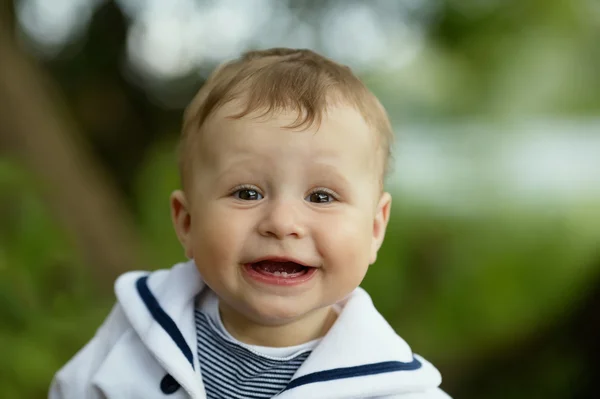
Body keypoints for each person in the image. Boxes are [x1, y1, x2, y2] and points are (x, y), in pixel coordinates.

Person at [49, 48, 450, 399]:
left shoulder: (393, 387)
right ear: (187, 223)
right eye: (247, 193)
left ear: (375, 228)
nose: (282, 223)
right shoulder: (137, 330)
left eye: (321, 197)